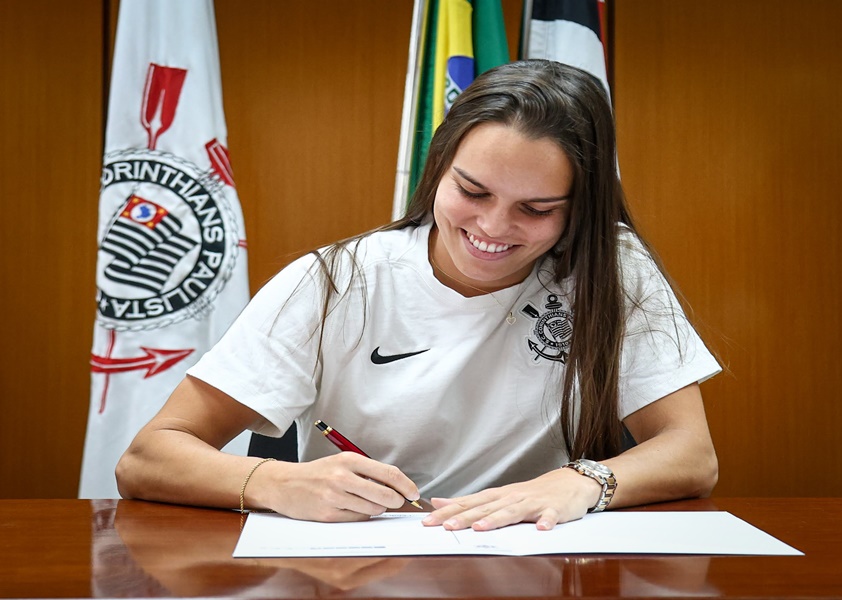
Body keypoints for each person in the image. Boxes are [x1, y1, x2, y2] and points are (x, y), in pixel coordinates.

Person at [116, 60, 721, 532]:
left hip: (538, 557)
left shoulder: (611, 269)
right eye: (472, 192)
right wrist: (274, 482)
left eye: (536, 209)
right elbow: (147, 458)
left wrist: (583, 483)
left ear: (580, 209)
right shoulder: (336, 280)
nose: (492, 228)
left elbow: (692, 455)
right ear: (439, 169)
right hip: (361, 568)